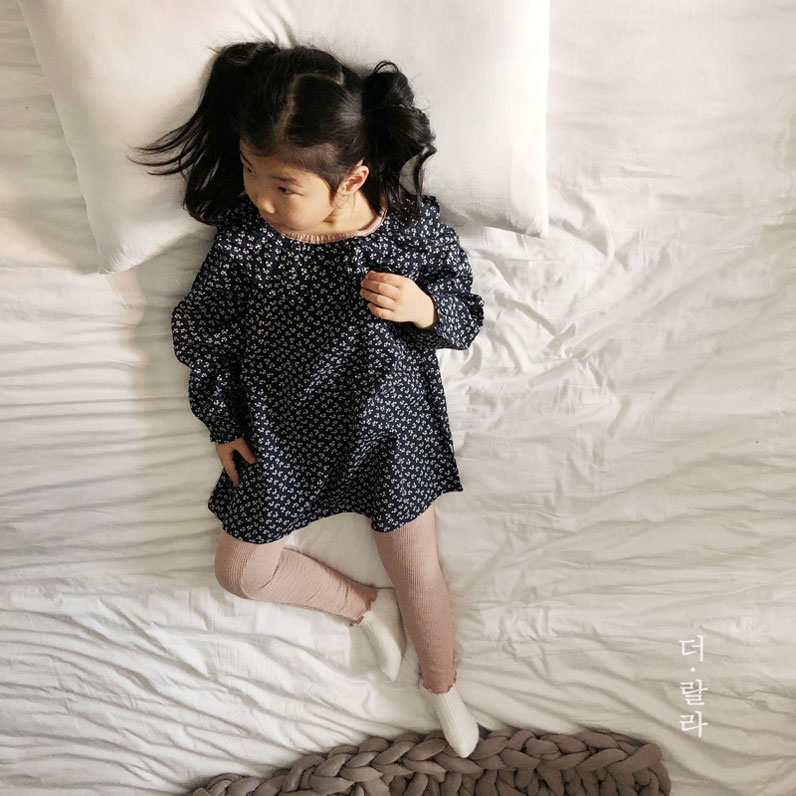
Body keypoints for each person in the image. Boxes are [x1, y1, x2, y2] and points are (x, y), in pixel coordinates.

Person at [130, 41, 484, 757]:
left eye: (283, 186)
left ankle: (443, 684)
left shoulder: (409, 228)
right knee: (241, 571)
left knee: (418, 568)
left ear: (352, 179)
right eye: (249, 171)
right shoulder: (249, 242)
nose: (260, 198)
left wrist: (424, 309)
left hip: (389, 432)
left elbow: (466, 312)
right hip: (282, 437)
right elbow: (203, 334)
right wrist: (222, 421)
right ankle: (367, 608)